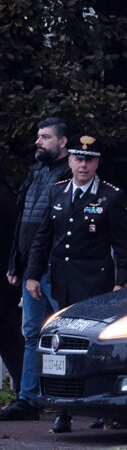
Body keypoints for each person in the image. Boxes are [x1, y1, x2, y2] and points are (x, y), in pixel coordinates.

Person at [25, 132, 127, 433]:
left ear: (97, 163)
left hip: (96, 281)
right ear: (70, 160)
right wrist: (33, 273)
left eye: (89, 159)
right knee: (61, 348)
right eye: (78, 158)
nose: (83, 165)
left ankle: (101, 407)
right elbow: (44, 236)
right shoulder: (57, 192)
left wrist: (121, 282)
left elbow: (123, 245)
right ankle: (65, 410)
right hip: (64, 281)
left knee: (96, 347)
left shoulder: (110, 196)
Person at [1, 117, 76, 422]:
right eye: (38, 136)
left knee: (66, 337)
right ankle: (28, 400)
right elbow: (23, 224)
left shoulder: (69, 176)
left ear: (62, 142)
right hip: (31, 269)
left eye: (45, 137)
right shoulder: (36, 175)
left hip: (55, 268)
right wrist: (15, 264)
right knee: (32, 333)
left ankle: (68, 402)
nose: (38, 142)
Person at [0, 165, 23, 393]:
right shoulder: (9, 198)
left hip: (3, 280)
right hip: (8, 279)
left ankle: (28, 390)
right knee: (8, 338)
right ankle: (27, 389)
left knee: (9, 337)